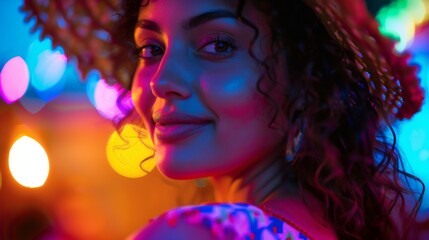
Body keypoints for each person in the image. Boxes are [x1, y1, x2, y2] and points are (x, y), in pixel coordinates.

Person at [21, 0, 426, 239]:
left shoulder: (197, 234)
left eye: (218, 44)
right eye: (151, 48)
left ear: (305, 80)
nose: (162, 81)